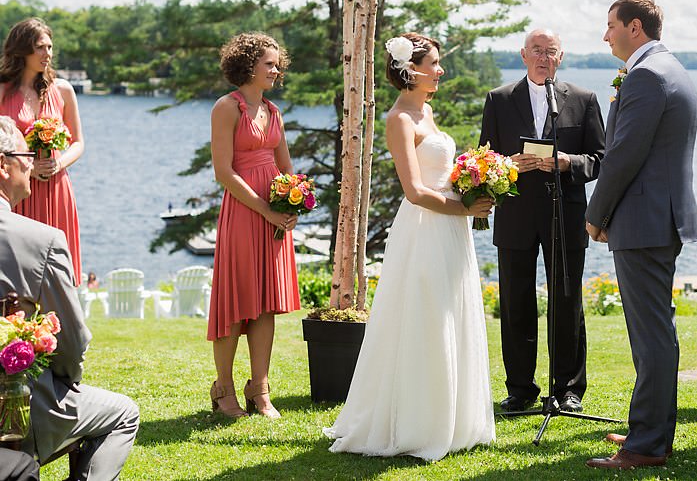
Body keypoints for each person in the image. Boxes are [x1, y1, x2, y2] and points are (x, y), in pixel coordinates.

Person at [323, 33, 495, 460]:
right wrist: (465, 209)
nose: (440, 70)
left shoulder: (428, 110)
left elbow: (439, 174)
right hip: (425, 228)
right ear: (410, 69)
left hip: (450, 228)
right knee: (424, 318)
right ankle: (418, 423)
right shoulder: (399, 119)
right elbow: (415, 191)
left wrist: (471, 184)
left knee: (450, 313)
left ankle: (455, 419)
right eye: (433, 63)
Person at [583, 0, 697, 471]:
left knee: (651, 335)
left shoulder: (648, 75)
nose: (605, 34)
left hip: (645, 220)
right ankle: (648, 426)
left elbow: (623, 155)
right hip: (655, 218)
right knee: (653, 330)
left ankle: (648, 444)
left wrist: (596, 214)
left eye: (611, 25)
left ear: (635, 27)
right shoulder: (668, 68)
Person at [0, 115, 139, 479]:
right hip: (17, 410)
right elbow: (71, 343)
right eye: (24, 153)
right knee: (124, 413)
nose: (32, 161)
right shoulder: (42, 241)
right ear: (3, 164)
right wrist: (64, 382)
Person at [478, 28, 605, 414]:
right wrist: (508, 165)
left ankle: (568, 389)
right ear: (522, 54)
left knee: (567, 302)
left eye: (551, 51)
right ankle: (520, 389)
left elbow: (601, 158)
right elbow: (484, 159)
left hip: (564, 213)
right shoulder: (498, 100)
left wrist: (568, 162)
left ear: (560, 57)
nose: (543, 57)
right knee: (515, 304)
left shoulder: (583, 100)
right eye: (537, 50)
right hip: (515, 215)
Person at [207, 32, 300, 419]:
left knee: (265, 305)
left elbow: (286, 167)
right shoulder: (227, 108)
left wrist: (295, 198)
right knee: (237, 302)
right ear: (247, 65)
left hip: (274, 216)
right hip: (245, 214)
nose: (276, 70)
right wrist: (266, 208)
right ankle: (223, 387)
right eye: (269, 64)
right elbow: (223, 172)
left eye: (278, 64)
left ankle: (259, 388)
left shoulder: (273, 112)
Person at [0, 17, 85, 285]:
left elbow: (78, 143)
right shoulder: (2, 91)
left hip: (56, 189)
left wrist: (58, 165)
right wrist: (28, 167)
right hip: (15, 190)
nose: (47, 53)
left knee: (57, 275)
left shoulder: (62, 90)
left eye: (49, 47)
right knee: (18, 274)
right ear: (22, 49)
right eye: (39, 47)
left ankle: (58, 325)